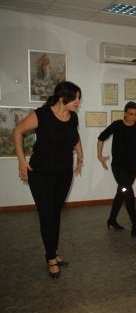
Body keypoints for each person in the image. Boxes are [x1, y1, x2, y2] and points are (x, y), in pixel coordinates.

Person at [12, 81, 83, 279]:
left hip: (63, 174)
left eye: (79, 98)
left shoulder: (72, 117)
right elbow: (17, 131)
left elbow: (75, 137)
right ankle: (50, 257)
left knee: (56, 213)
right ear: (63, 98)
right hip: (41, 174)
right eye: (75, 98)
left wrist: (80, 156)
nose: (78, 102)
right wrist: (21, 160)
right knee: (47, 215)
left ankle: (53, 250)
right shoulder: (41, 115)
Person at [97, 101, 136, 236]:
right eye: (131, 114)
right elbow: (101, 137)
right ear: (125, 113)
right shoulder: (117, 125)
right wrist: (100, 156)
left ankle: (111, 220)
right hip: (119, 168)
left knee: (121, 193)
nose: (133, 117)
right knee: (128, 192)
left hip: (133, 168)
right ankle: (135, 225)